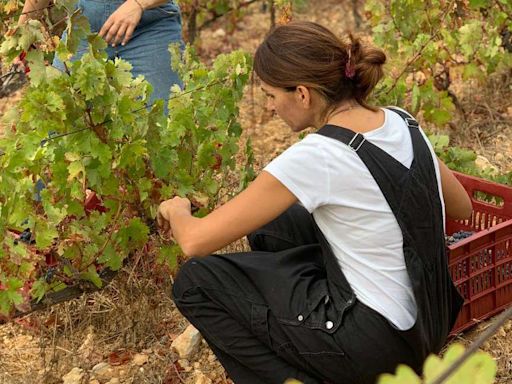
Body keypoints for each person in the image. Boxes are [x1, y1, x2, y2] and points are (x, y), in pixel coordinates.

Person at [157, 21, 472, 384]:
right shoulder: (402, 122)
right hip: (429, 328)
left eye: (271, 96)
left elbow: (195, 242)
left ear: (303, 94)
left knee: (196, 283)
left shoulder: (318, 155)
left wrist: (177, 209)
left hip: (374, 347)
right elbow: (461, 207)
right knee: (273, 223)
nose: (271, 108)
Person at [19, 0, 183, 109]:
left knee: (161, 120)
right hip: (83, 32)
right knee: (56, 123)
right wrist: (22, 35)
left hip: (150, 29)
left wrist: (138, 4)